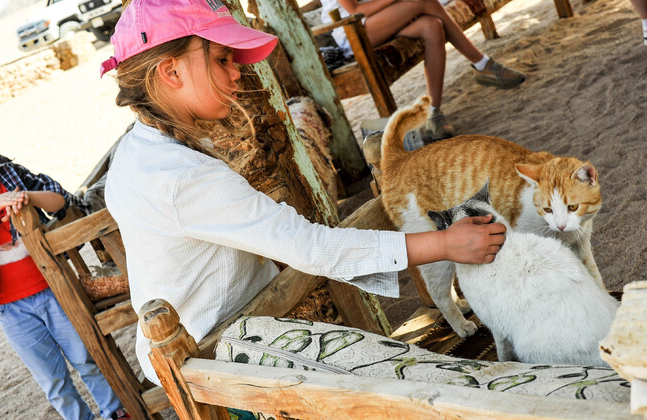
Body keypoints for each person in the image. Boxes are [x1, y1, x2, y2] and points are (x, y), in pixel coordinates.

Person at [99, 0, 506, 386]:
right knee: (400, 377)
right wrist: (447, 242)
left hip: (210, 333)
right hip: (213, 352)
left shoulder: (138, 155)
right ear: (171, 73)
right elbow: (314, 248)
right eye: (222, 60)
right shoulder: (182, 176)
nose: (236, 72)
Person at [0, 144, 130, 420]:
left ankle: (117, 411)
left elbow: (61, 200)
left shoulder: (10, 174)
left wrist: (28, 197)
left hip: (54, 288)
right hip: (11, 307)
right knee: (53, 380)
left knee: (86, 357)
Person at [319, 0, 526, 142]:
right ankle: (483, 65)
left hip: (382, 20)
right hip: (353, 31)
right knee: (426, 1)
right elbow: (355, 9)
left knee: (433, 26)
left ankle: (433, 113)